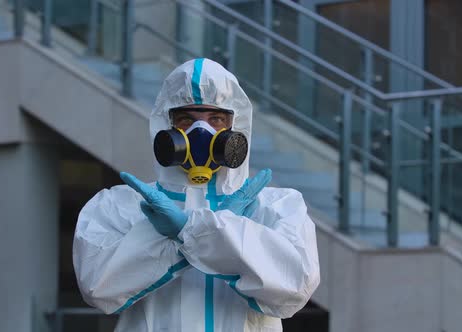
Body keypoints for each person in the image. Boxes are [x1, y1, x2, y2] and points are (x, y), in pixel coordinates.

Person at [73, 58, 320, 331]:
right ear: (167, 128)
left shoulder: (276, 207)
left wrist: (187, 232)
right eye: (186, 120)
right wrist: (201, 235)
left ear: (234, 129)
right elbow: (98, 287)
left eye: (216, 119)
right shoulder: (122, 206)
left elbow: (294, 288)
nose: (200, 132)